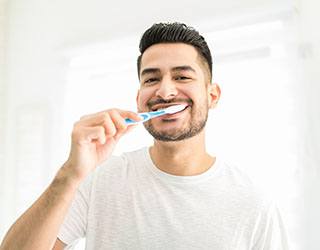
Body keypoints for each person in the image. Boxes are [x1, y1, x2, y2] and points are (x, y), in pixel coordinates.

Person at [0, 22, 289, 250]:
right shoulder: (99, 181)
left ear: (212, 95)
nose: (164, 92)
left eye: (182, 76)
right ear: (140, 98)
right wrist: (70, 174)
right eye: (152, 79)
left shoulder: (254, 203)